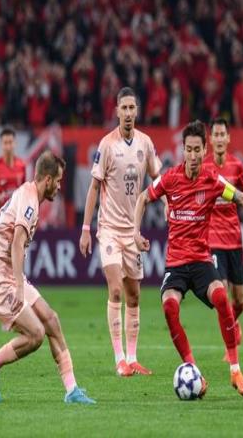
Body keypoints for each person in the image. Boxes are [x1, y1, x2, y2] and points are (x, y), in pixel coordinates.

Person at [133, 120, 243, 397]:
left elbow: (242, 198)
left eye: (197, 150)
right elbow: (143, 197)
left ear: (204, 150)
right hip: (176, 264)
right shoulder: (170, 178)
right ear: (183, 150)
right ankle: (193, 369)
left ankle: (235, 370)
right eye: (188, 149)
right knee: (169, 306)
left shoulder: (212, 180)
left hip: (202, 261)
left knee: (221, 297)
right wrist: (135, 232)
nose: (192, 155)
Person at [0, 150, 95, 404]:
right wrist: (20, 287)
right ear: (48, 180)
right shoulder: (30, 201)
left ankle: (72, 390)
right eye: (59, 181)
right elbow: (17, 243)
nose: (60, 186)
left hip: (10, 273)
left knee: (51, 319)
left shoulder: (29, 194)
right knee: (36, 334)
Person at [80, 87, 163, 377]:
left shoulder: (145, 143)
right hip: (109, 230)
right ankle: (119, 360)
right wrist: (86, 228)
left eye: (132, 108)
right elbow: (94, 187)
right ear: (116, 111)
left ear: (137, 111)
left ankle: (133, 357)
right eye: (123, 108)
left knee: (134, 296)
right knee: (115, 288)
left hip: (132, 232)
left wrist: (168, 203)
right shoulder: (106, 145)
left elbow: (158, 179)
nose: (128, 113)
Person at [203, 117, 243, 361]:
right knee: (222, 295)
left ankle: (234, 324)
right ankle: (230, 350)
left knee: (239, 301)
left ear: (228, 138)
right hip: (213, 240)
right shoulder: (203, 166)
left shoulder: (237, 166)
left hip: (234, 240)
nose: (218, 138)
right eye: (215, 134)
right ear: (210, 139)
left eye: (222, 134)